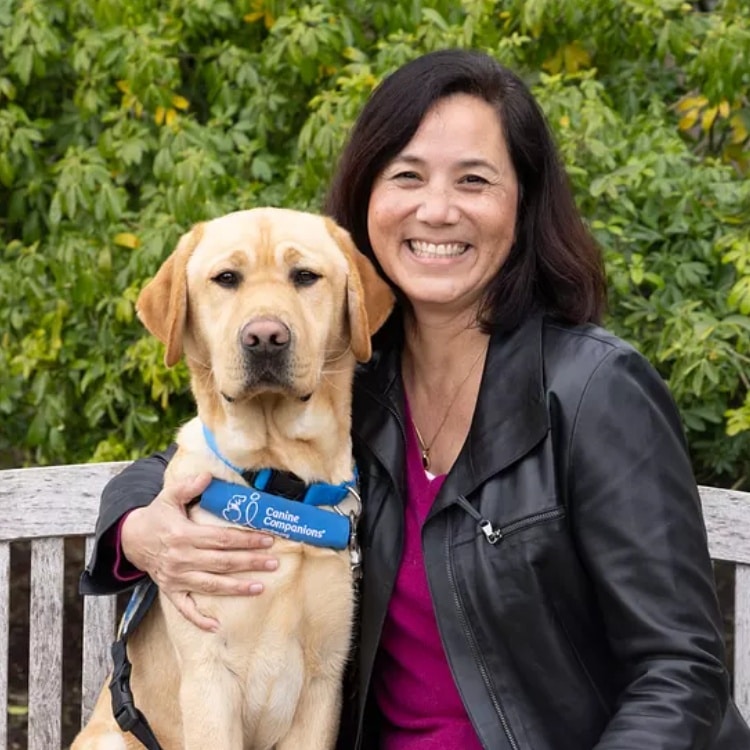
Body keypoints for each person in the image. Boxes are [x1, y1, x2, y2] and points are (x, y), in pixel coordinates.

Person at [81, 49, 750, 749]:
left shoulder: (595, 392)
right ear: (368, 195)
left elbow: (680, 672)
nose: (437, 209)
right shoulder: (353, 378)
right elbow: (184, 457)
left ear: (523, 203)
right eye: (407, 176)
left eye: (474, 180)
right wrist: (135, 529)